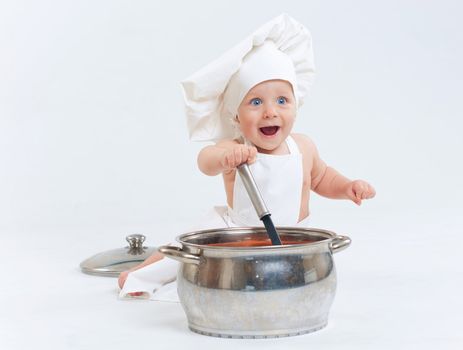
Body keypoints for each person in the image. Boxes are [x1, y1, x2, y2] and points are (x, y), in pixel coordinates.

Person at [118, 13, 375, 296]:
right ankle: (138, 275)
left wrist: (348, 187)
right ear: (236, 116)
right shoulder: (236, 148)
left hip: (291, 240)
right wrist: (225, 159)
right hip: (237, 236)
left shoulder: (303, 147)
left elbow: (322, 177)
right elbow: (205, 160)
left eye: (282, 100)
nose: (270, 111)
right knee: (183, 253)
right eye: (255, 102)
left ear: (296, 105)